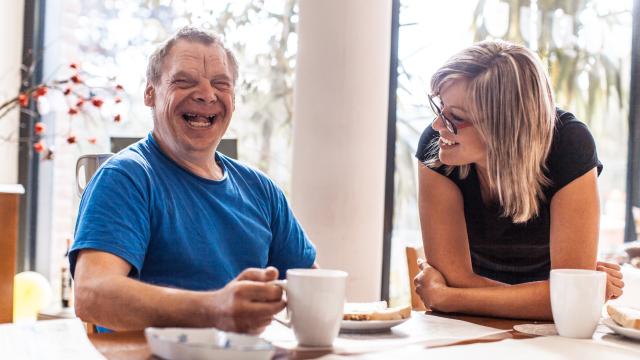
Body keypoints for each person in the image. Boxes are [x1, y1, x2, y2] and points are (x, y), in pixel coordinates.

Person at [70, 27, 316, 333]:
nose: (206, 94)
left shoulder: (261, 191)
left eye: (220, 84)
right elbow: (92, 294)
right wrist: (213, 309)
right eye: (184, 82)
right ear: (150, 93)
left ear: (234, 99)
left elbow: (313, 285)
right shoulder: (126, 178)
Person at [413, 40, 624, 320]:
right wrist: (553, 296)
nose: (438, 125)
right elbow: (571, 296)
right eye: (439, 107)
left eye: (455, 117)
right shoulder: (437, 147)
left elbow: (572, 301)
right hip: (467, 323)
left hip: (545, 333)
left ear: (504, 126)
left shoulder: (569, 144)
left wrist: (449, 297)